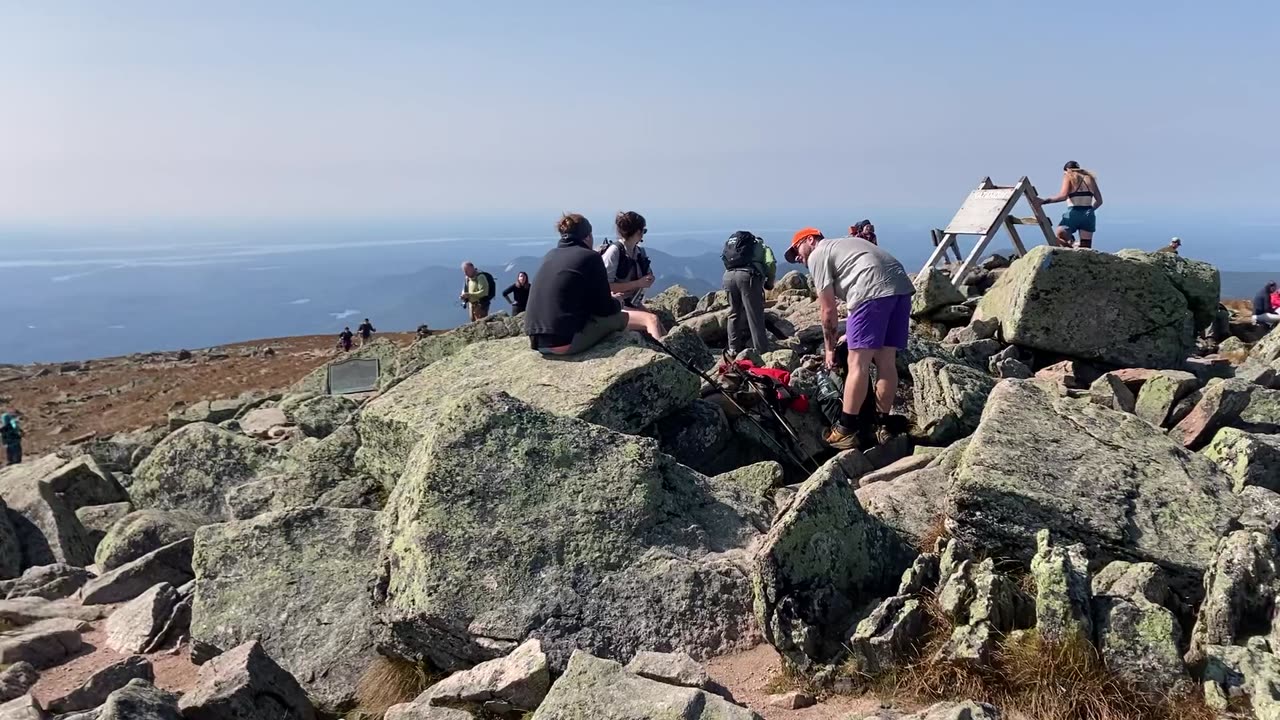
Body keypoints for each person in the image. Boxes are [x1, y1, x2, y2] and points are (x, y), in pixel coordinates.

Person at [784, 227, 915, 450]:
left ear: (810, 240)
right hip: (900, 288)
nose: (798, 257)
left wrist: (829, 349)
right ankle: (882, 425)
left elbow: (827, 310)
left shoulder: (818, 253)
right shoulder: (845, 245)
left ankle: (845, 430)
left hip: (870, 291)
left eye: (797, 249)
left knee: (857, 364)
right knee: (886, 363)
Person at [525, 213, 665, 356]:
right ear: (588, 236)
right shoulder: (590, 257)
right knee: (639, 319)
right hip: (566, 341)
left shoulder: (550, 255)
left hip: (537, 342)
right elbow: (605, 309)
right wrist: (618, 302)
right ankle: (664, 359)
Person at [721, 231, 777, 354]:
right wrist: (770, 282)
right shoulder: (762, 246)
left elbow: (724, 259)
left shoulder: (734, 246)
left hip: (728, 277)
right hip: (747, 277)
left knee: (733, 313)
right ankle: (761, 351)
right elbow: (770, 263)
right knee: (754, 315)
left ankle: (733, 349)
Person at [1038, 161, 1103, 249]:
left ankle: (1071, 244)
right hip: (1088, 214)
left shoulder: (1069, 176)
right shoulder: (1090, 178)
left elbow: (1063, 196)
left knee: (1059, 234)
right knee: (1086, 247)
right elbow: (1099, 201)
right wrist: (1091, 210)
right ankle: (1078, 250)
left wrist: (1044, 201)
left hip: (1073, 212)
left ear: (1067, 170)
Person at [601, 211, 655, 308]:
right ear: (638, 232)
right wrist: (638, 283)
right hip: (615, 304)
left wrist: (648, 279)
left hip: (633, 302)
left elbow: (646, 275)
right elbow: (605, 287)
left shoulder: (640, 252)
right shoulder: (614, 251)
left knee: (656, 321)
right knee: (652, 320)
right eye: (644, 230)